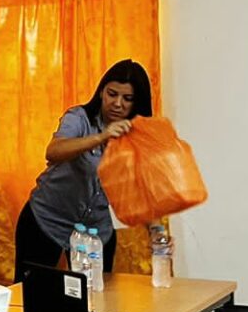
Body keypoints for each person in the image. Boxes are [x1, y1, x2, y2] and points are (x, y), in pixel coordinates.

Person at [15, 59, 154, 282]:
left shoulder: (138, 137)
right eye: (112, 94)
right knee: (33, 294)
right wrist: (101, 137)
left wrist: (156, 231)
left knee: (98, 296)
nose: (117, 103)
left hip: (95, 233)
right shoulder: (79, 118)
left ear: (136, 103)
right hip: (46, 220)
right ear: (101, 92)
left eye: (127, 99)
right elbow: (53, 151)